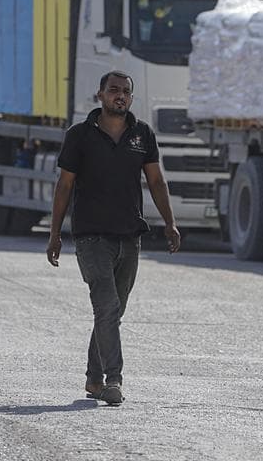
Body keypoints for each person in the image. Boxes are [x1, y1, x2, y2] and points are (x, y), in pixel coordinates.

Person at [47, 71, 181, 407]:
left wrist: (170, 223)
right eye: (113, 90)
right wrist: (54, 234)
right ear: (100, 95)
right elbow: (64, 186)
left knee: (111, 313)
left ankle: (93, 378)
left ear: (131, 98)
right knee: (106, 307)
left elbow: (156, 181)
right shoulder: (79, 136)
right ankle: (113, 379)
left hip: (129, 238)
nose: (119, 96)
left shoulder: (142, 134)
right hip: (91, 237)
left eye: (125, 92)